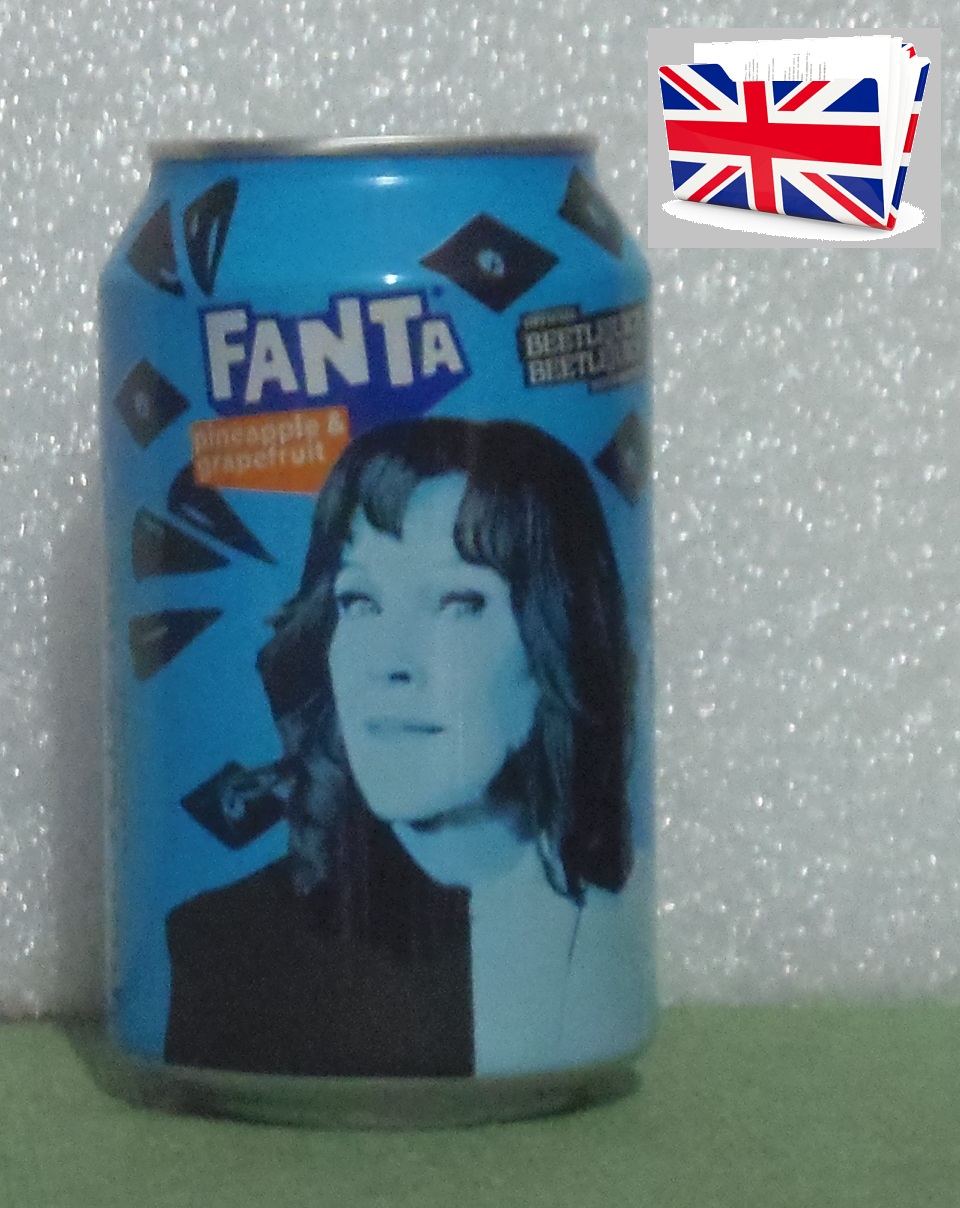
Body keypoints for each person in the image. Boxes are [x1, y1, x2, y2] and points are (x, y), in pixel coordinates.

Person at [165, 416, 643, 1077]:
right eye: (360, 601)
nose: (391, 662)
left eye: (457, 602)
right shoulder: (225, 947)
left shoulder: (624, 909)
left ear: (557, 640)